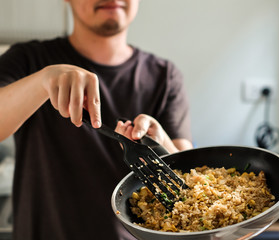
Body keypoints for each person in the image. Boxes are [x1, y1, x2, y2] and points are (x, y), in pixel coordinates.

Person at [0, 0, 193, 239]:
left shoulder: (165, 76)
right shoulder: (28, 59)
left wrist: (161, 146)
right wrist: (42, 81)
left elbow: (189, 177)